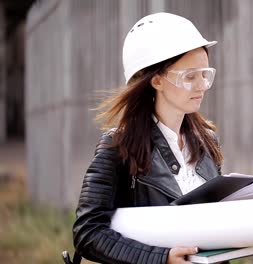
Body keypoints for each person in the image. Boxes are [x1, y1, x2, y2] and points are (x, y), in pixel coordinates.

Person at [72, 12, 223, 264]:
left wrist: (248, 217)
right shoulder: (118, 146)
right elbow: (88, 232)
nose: (201, 86)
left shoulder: (208, 142)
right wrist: (161, 258)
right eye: (189, 76)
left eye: (204, 74)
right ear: (156, 81)